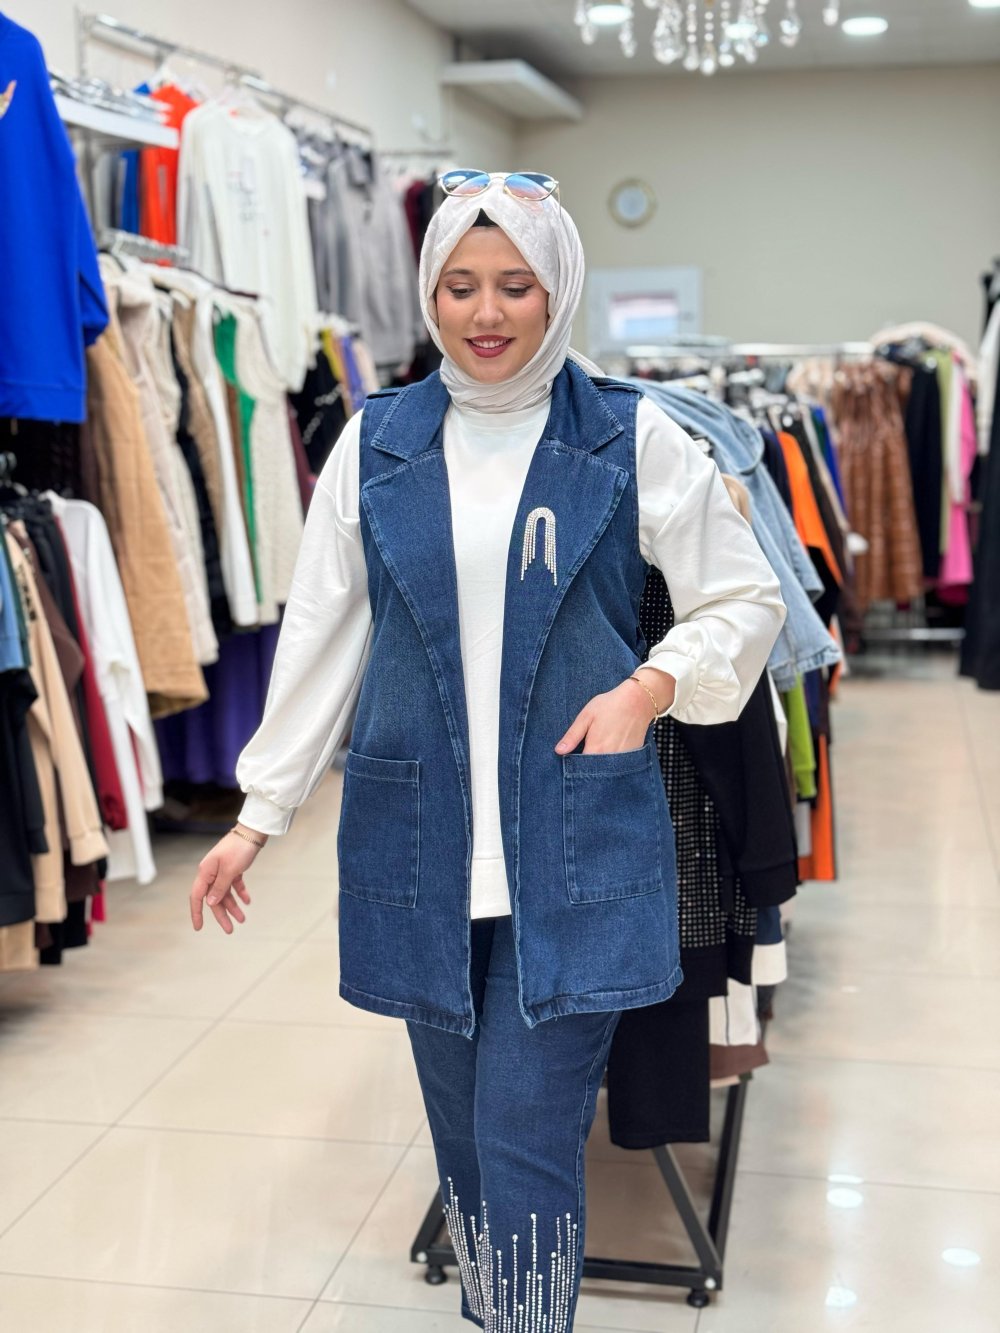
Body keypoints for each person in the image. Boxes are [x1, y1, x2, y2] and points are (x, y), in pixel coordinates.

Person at [189, 169, 785, 1332]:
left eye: (515, 283)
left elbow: (746, 597)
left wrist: (652, 685)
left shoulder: (630, 433)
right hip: (422, 850)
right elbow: (322, 633)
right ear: (428, 293)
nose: (486, 311)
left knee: (521, 1133)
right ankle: (501, 1310)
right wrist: (259, 811)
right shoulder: (378, 441)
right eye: (459, 285)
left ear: (557, 288)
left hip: (576, 844)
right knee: (464, 1144)